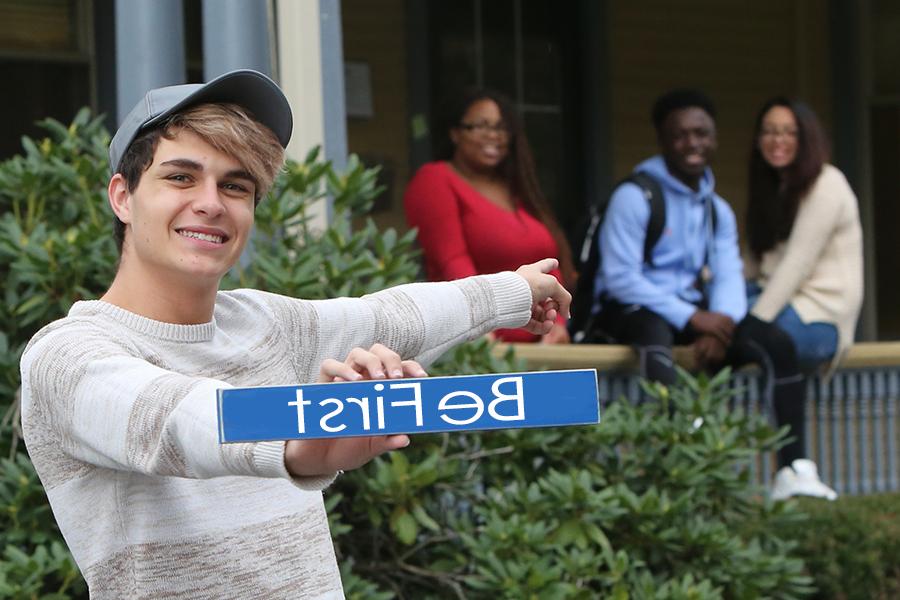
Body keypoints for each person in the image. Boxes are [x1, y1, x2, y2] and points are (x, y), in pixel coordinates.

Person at [18, 70, 571, 598]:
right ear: (122, 197)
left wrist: (517, 291)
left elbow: (393, 315)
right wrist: (303, 443)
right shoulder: (66, 355)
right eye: (180, 176)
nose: (210, 202)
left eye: (236, 186)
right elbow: (173, 419)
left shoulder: (266, 324)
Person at [590, 88, 836, 501]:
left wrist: (719, 324)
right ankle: (673, 463)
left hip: (693, 314)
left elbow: (727, 274)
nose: (693, 144)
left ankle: (793, 470)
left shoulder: (715, 208)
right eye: (681, 135)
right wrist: (692, 318)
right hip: (633, 308)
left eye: (701, 133)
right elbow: (620, 278)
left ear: (714, 137)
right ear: (664, 140)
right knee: (655, 334)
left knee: (774, 340)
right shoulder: (635, 196)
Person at [403, 88, 575, 344]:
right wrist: (482, 326)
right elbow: (453, 260)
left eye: (501, 128)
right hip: (480, 344)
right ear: (455, 133)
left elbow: (548, 265)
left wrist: (557, 322)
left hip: (541, 344)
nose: (494, 135)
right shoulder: (436, 179)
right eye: (481, 126)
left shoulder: (517, 189)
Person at [745, 97, 864, 372]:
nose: (778, 140)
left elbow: (797, 263)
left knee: (752, 339)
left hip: (821, 316)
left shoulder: (827, 184)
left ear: (807, 138)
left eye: (789, 132)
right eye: (770, 131)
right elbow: (755, 260)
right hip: (780, 300)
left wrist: (755, 322)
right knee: (720, 319)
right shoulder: (774, 187)